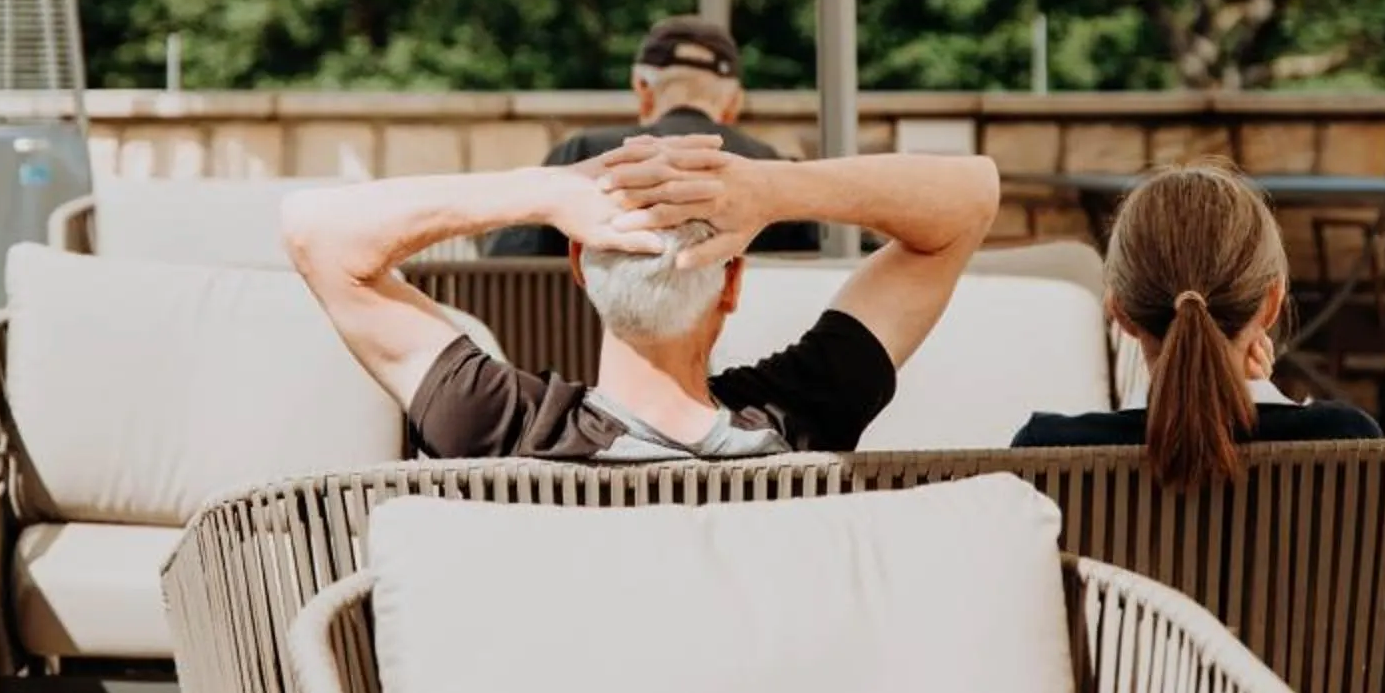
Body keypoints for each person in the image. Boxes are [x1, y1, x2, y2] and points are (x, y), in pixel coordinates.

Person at [283, 138, 999, 462]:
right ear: (733, 284)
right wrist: (772, 188)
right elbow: (970, 200)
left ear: (579, 268)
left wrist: (548, 191)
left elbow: (317, 232)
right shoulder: (802, 415)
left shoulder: (500, 428)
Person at [1012, 161, 1380, 481]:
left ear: (1120, 311)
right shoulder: (1347, 440)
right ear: (1272, 304)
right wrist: (1261, 395)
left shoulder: (1046, 450)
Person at [482, 15, 819, 256]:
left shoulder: (584, 154)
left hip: (591, 336)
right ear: (733, 102)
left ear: (642, 87)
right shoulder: (773, 169)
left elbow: (508, 262)